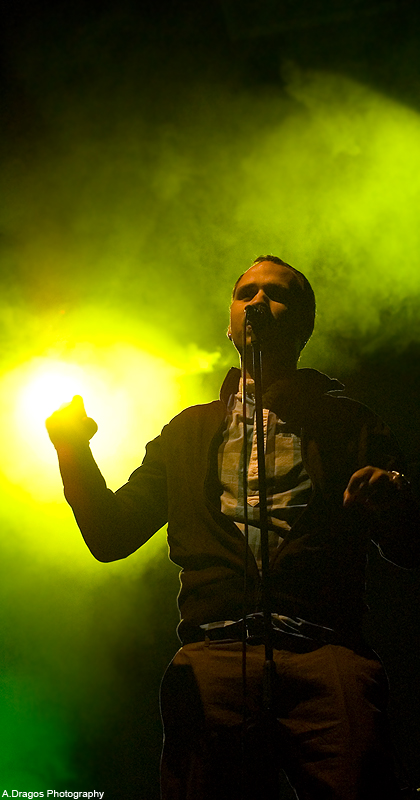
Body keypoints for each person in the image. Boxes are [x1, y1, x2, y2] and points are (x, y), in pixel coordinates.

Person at [46, 256, 419, 800]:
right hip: (213, 657)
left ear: (304, 325)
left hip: (326, 654)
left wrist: (393, 500)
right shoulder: (185, 432)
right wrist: (72, 452)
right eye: (246, 293)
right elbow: (111, 536)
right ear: (230, 324)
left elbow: (410, 548)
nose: (258, 302)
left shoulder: (350, 424)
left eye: (276, 294)